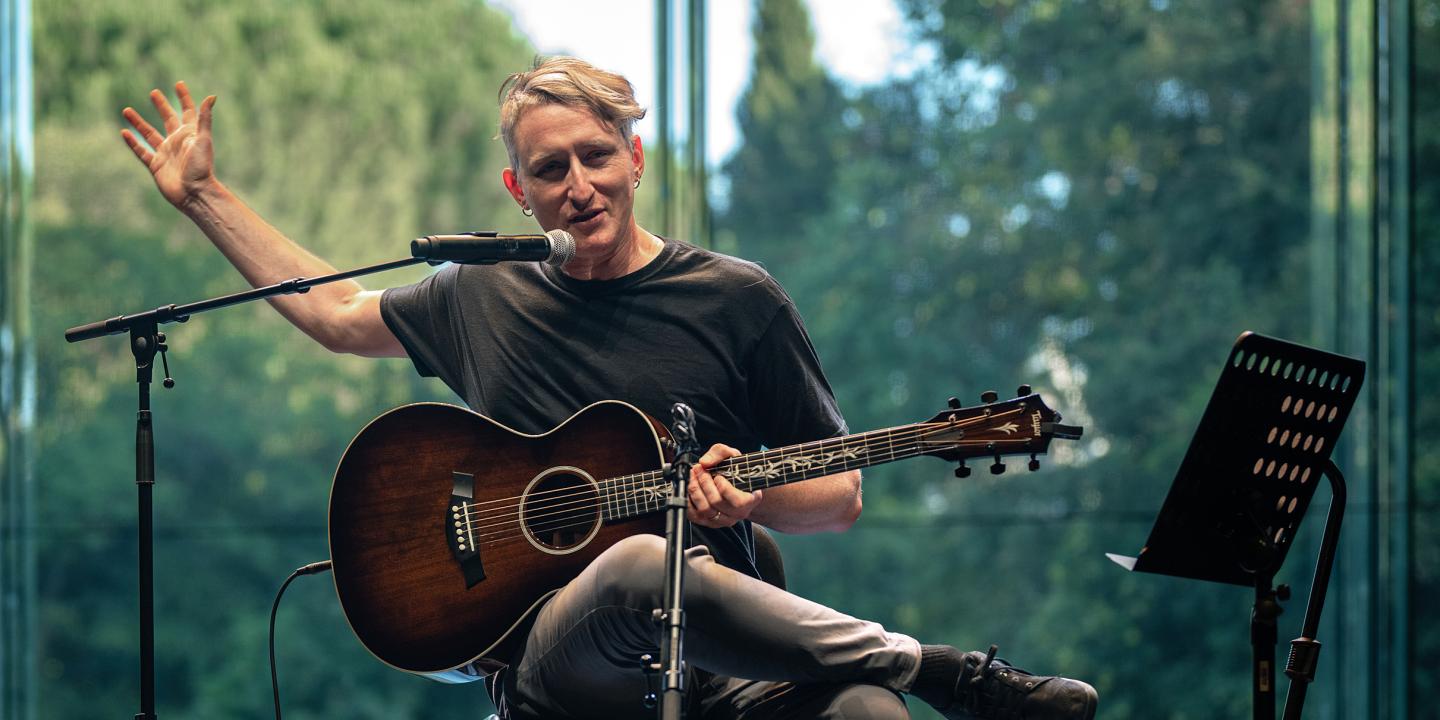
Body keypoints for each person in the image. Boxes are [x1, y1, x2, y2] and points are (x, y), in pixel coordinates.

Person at [120, 57, 1099, 720]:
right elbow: (337, 316)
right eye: (551, 169)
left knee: (866, 712)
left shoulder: (734, 299)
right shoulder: (480, 292)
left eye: (597, 157)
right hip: (556, 667)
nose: (579, 184)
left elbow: (839, 494)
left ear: (634, 159)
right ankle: (950, 673)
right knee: (636, 561)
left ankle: (900, 681)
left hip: (725, 668)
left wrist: (751, 494)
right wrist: (205, 194)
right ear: (519, 192)